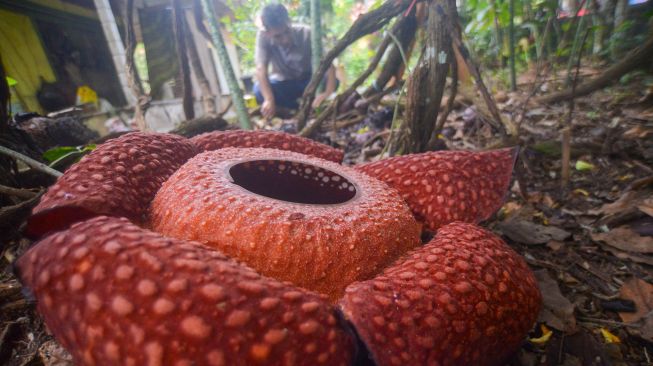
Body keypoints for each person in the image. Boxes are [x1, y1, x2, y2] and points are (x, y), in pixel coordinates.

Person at [254, 3, 337, 119]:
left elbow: (329, 64)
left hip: (310, 81)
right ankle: (297, 109)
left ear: (289, 22)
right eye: (278, 36)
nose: (285, 40)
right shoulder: (263, 38)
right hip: (286, 83)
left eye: (287, 31)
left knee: (332, 81)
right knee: (259, 90)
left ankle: (310, 104)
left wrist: (327, 93)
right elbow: (260, 69)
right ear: (267, 33)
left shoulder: (307, 33)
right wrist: (269, 99)